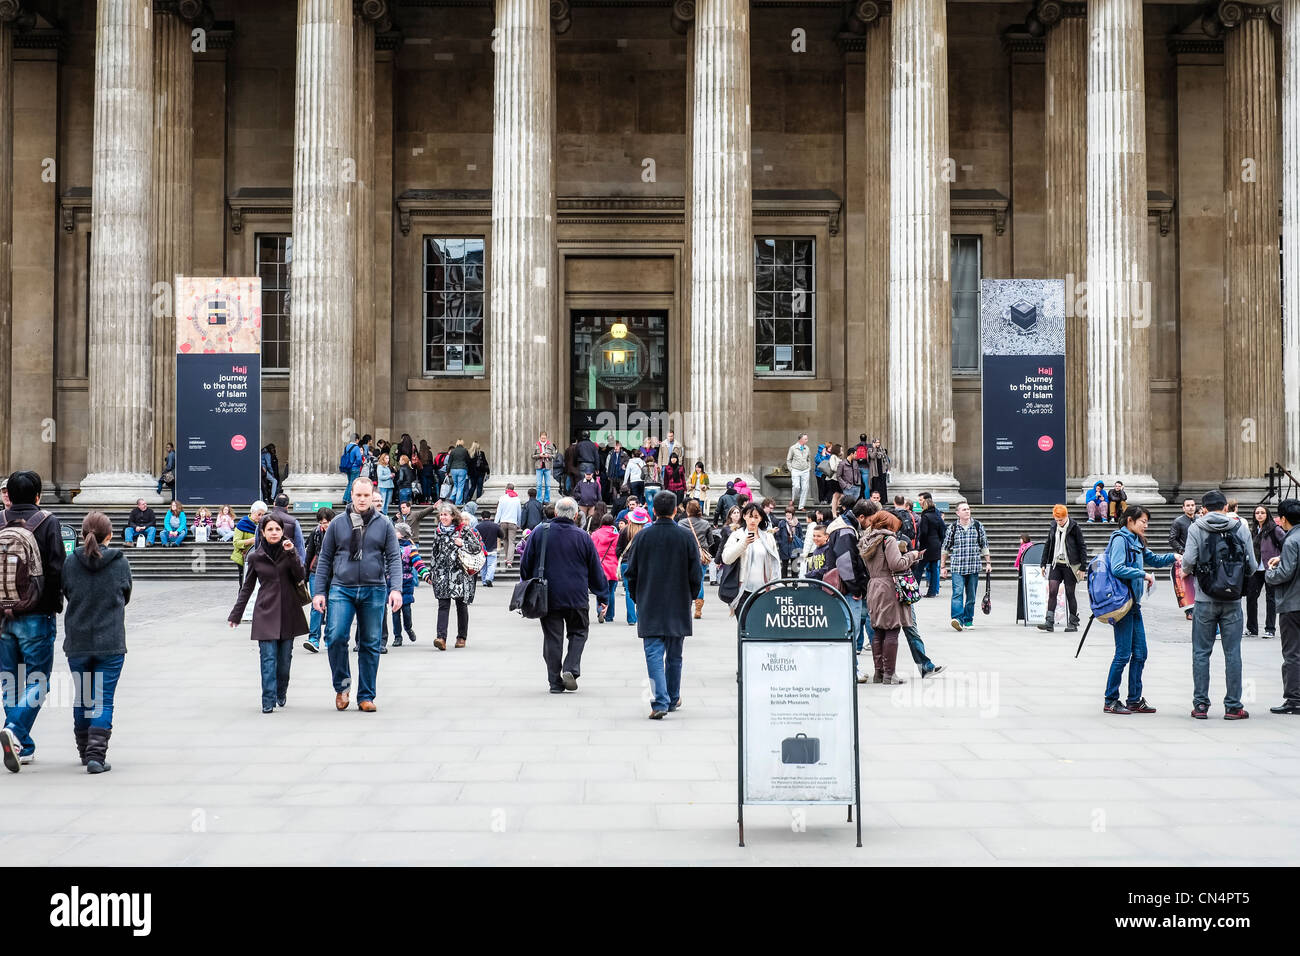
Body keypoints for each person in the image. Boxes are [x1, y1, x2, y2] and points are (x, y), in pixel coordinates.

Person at [311, 477, 403, 713]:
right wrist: (319, 591)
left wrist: (396, 589)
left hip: (374, 588)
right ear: (351, 495)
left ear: (373, 496)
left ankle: (366, 695)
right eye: (358, 495)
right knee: (336, 636)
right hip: (342, 587)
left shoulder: (384, 524)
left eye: (366, 495)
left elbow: (394, 558)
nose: (362, 499)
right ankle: (342, 686)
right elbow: (325, 559)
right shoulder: (337, 524)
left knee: (371, 643)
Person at [0, 473, 66, 772]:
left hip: (2, 614)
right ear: (38, 495)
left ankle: (22, 746)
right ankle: (14, 730)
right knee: (38, 681)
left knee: (9, 681)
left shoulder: (0, 521)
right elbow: (56, 570)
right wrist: (53, 606)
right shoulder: (48, 522)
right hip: (36, 614)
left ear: (9, 496)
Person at [60, 510, 132, 775]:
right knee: (103, 700)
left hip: (77, 641)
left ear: (82, 533)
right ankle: (96, 756)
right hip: (110, 642)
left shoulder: (70, 562)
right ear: (109, 535)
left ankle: (83, 751)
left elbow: (66, 591)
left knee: (83, 696)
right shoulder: (120, 561)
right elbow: (126, 595)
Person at [624, 491, 704, 718]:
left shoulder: (642, 537)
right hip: (678, 602)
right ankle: (672, 696)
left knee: (653, 652)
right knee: (675, 654)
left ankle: (660, 700)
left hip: (650, 601)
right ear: (676, 510)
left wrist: (637, 597)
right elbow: (696, 575)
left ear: (654, 511)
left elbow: (631, 573)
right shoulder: (686, 537)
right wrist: (688, 596)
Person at [1181, 490, 1256, 719]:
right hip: (1232, 599)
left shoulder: (1196, 527)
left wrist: (1188, 573)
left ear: (1203, 508)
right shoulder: (1240, 526)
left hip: (1205, 599)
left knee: (1201, 652)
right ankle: (1233, 706)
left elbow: (1188, 562)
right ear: (1225, 507)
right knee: (1233, 652)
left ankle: (1201, 705)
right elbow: (1252, 565)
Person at [520, 497, 606, 693]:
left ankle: (554, 683)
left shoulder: (540, 531)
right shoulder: (583, 536)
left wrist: (528, 582)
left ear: (556, 513)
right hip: (577, 595)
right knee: (579, 632)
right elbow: (595, 569)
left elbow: (525, 563)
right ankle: (571, 667)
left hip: (548, 594)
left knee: (552, 638)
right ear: (576, 515)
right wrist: (602, 596)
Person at [1102, 505, 1178, 715]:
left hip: (1134, 604)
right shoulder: (1120, 539)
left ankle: (1134, 699)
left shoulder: (1136, 541)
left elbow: (1153, 559)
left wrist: (1173, 557)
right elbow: (1117, 567)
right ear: (1130, 521)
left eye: (1147, 522)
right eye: (1143, 521)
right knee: (1123, 654)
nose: (1146, 525)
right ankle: (1110, 700)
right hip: (1122, 604)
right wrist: (1142, 575)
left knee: (1141, 653)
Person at [229, 514, 309, 714]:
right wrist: (236, 614)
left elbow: (301, 575)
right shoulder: (255, 556)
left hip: (289, 611)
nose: (274, 533)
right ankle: (267, 699)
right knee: (267, 658)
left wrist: (292, 554)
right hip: (265, 612)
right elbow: (246, 587)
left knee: (284, 661)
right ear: (262, 533)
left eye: (277, 529)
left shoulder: (289, 551)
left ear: (283, 531)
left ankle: (281, 691)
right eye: (270, 529)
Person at [859, 510, 922, 684]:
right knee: (893, 630)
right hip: (888, 587)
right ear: (888, 524)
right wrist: (912, 555)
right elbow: (896, 564)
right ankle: (890, 674)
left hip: (873, 585)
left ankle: (879, 673)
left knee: (878, 630)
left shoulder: (867, 540)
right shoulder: (889, 539)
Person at [425, 502, 484, 650]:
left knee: (461, 605)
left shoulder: (464, 530)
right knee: (443, 604)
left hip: (460, 575)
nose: (443, 517)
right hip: (442, 574)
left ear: (453, 516)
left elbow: (477, 547)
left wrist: (462, 543)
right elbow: (435, 552)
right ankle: (441, 637)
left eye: (446, 514)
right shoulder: (438, 531)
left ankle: (461, 637)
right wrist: (431, 571)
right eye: (441, 514)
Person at [1264, 498, 1300, 714]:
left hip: (1293, 603)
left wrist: (1269, 574)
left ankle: (1294, 699)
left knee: (1292, 653)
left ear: (1283, 519)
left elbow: (1286, 573)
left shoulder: (1291, 540)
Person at [721, 502, 780, 615]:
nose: (753, 520)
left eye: (756, 517)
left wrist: (774, 585)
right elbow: (726, 558)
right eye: (750, 516)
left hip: (764, 590)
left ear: (761, 518)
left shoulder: (768, 538)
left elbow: (774, 563)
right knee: (744, 628)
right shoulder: (737, 535)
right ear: (744, 516)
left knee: (759, 628)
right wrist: (743, 544)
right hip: (742, 590)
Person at [939, 501, 991, 631]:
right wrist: (943, 566)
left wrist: (988, 563)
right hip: (958, 567)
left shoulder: (978, 526)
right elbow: (945, 548)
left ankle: (968, 620)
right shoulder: (953, 528)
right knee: (957, 593)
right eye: (964, 509)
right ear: (957, 513)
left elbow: (984, 545)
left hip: (973, 566)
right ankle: (957, 619)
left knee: (971, 595)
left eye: (968, 509)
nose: (967, 511)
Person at [1037, 504, 1089, 633]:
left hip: (1070, 565)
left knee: (1070, 593)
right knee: (1052, 591)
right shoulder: (1053, 526)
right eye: (1056, 519)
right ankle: (1049, 621)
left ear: (1066, 516)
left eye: (1061, 520)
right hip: (1056, 563)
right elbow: (1048, 545)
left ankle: (1073, 622)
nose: (1059, 522)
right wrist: (1043, 563)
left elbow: (1082, 547)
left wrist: (1083, 567)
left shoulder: (1074, 527)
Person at [390, 522, 432, 646]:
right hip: (392, 583)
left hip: (406, 583)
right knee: (395, 611)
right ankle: (397, 636)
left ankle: (408, 628)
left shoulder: (410, 548)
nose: (393, 532)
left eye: (396, 531)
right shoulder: (390, 546)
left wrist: (426, 575)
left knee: (406, 610)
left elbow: (418, 563)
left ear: (402, 534)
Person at [1247, 504, 1284, 638]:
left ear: (1267, 514)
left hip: (1270, 568)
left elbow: (1286, 545)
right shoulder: (1254, 530)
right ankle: (1252, 628)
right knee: (1251, 597)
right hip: (1256, 569)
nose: (1260, 515)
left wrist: (1279, 558)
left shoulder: (1275, 530)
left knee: (1271, 599)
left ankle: (1270, 629)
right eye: (1257, 513)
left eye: (1262, 512)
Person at [302, 507, 335, 653]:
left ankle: (330, 638)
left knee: (333, 606)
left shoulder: (339, 533)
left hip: (335, 574)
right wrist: (305, 576)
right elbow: (308, 554)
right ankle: (313, 638)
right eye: (322, 522)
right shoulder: (315, 533)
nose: (324, 525)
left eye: (327, 522)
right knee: (317, 606)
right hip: (316, 571)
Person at [678, 499, 715, 620]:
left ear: (687, 510)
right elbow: (711, 542)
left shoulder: (682, 523)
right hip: (701, 556)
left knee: (685, 582)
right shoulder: (705, 523)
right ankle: (698, 609)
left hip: (685, 555)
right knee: (699, 581)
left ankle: (686, 606)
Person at [617, 507, 651, 624]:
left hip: (626, 562)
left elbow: (618, 549)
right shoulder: (646, 532)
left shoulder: (624, 531)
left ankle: (631, 618)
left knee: (628, 590)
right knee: (643, 590)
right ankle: (641, 615)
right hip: (642, 563)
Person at [591, 514, 621, 622]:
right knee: (611, 591)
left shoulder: (595, 534)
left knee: (600, 591)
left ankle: (600, 610)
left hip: (599, 565)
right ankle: (609, 615)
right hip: (613, 565)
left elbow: (592, 550)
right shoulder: (617, 536)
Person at [916, 492, 945, 597]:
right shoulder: (937, 515)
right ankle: (932, 591)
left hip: (927, 545)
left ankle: (914, 590)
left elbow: (924, 532)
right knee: (933, 569)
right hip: (936, 544)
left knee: (919, 568)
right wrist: (939, 541)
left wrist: (922, 546)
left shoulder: (925, 516)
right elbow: (943, 529)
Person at [230, 501, 265, 590]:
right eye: (259, 514)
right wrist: (250, 541)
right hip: (243, 557)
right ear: (252, 512)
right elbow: (236, 543)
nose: (261, 517)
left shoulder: (262, 525)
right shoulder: (243, 523)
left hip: (257, 557)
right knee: (244, 584)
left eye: (263, 515)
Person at [496, 483, 523, 569]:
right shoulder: (517, 499)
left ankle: (506, 558)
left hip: (503, 522)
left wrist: (496, 522)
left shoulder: (502, 498)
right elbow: (519, 513)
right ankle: (509, 561)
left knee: (505, 540)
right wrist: (519, 523)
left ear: (506, 488)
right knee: (512, 542)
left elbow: (498, 511)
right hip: (512, 522)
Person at [773, 505, 804, 577]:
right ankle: (784, 583)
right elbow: (778, 535)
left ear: (792, 514)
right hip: (785, 547)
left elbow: (800, 535)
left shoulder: (797, 523)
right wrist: (781, 543)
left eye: (789, 513)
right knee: (784, 566)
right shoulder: (782, 523)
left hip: (794, 547)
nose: (788, 514)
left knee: (794, 566)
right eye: (786, 513)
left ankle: (795, 583)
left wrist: (798, 542)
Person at [475, 511, 501, 588]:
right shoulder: (495, 526)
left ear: (482, 517)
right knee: (491, 565)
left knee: (483, 566)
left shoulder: (478, 527)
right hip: (492, 549)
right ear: (490, 517)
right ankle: (489, 579)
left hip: (482, 549)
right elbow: (501, 535)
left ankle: (484, 581)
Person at [786, 433, 812, 509]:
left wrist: (808, 468)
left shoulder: (807, 448)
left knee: (805, 487)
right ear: (800, 440)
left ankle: (801, 506)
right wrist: (791, 469)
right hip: (795, 470)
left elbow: (809, 459)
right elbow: (788, 460)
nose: (807, 440)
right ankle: (793, 500)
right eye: (805, 439)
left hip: (805, 470)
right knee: (796, 486)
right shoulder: (793, 448)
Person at [446, 439, 472, 505]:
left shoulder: (453, 451)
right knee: (460, 486)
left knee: (455, 485)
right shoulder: (465, 451)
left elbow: (449, 462)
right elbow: (468, 461)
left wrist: (447, 471)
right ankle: (458, 502)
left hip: (453, 469)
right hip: (462, 469)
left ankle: (451, 498)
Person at [532, 432, 556, 503]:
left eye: (544, 438)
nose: (543, 439)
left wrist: (548, 456)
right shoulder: (536, 445)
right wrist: (540, 455)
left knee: (548, 485)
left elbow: (554, 455)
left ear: (546, 438)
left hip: (547, 467)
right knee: (539, 485)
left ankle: (546, 500)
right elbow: (532, 456)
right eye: (542, 438)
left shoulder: (550, 445)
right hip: (539, 467)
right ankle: (539, 500)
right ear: (540, 437)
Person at [867, 437, 890, 502]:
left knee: (882, 486)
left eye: (879, 442)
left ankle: (883, 501)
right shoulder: (870, 449)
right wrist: (874, 448)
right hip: (875, 472)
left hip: (882, 471)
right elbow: (872, 456)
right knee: (875, 486)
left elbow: (885, 459)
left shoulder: (881, 449)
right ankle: (874, 501)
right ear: (873, 443)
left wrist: (887, 468)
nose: (878, 444)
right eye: (877, 442)